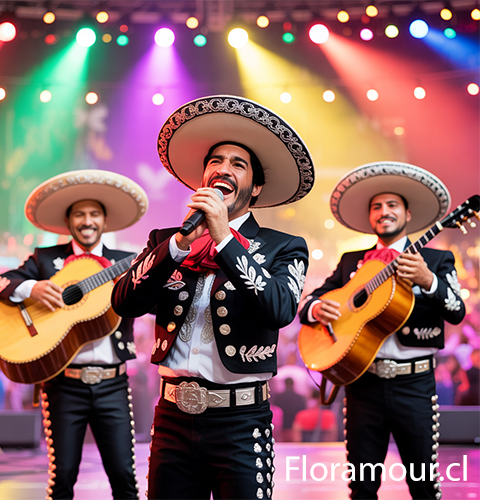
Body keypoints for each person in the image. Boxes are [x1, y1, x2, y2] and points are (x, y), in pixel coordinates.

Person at [112, 95, 315, 500]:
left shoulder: (284, 246)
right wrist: (178, 245)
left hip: (241, 422)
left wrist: (223, 237)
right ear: (202, 178)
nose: (223, 169)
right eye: (216, 161)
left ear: (256, 187)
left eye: (238, 164)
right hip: (171, 418)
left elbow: (279, 309)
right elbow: (124, 302)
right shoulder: (167, 241)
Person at [298, 161, 466, 500]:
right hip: (362, 384)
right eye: (376, 206)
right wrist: (317, 308)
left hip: (414, 385)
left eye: (392, 205)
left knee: (423, 485)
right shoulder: (351, 261)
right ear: (370, 216)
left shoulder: (436, 260)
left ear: (407, 214)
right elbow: (308, 302)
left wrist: (429, 281)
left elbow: (457, 312)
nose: (384, 211)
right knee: (361, 486)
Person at [0, 170, 149, 500]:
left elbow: (150, 302)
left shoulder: (127, 262)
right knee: (62, 479)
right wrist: (31, 287)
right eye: (79, 214)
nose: (87, 221)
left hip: (113, 384)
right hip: (63, 385)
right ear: (68, 221)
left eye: (94, 214)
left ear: (105, 220)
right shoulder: (45, 259)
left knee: (124, 477)